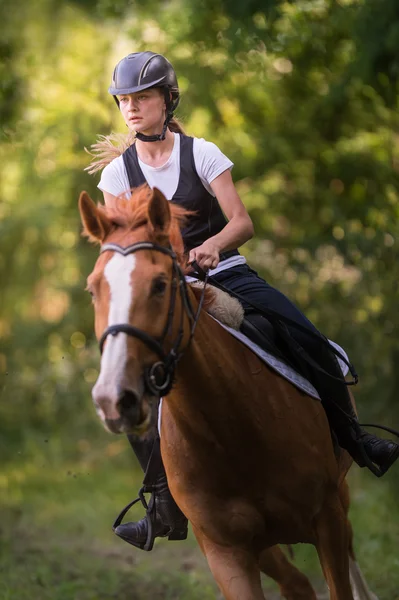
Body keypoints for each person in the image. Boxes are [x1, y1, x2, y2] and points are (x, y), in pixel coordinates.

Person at [92, 51, 399, 551]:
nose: (131, 107)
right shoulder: (116, 178)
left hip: (226, 274)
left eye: (141, 97)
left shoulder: (202, 153)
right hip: (163, 291)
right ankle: (162, 500)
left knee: (301, 332)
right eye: (124, 99)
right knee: (127, 372)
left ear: (167, 100)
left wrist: (213, 245)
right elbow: (122, 245)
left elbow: (242, 221)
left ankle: (354, 438)